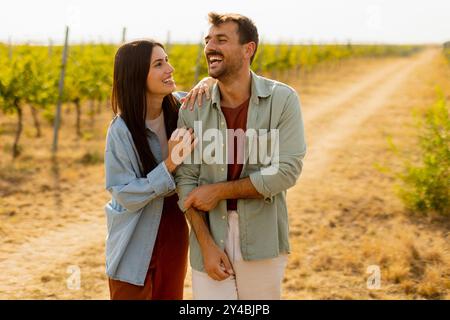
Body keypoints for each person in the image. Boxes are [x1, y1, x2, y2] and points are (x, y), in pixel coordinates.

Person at [175, 12, 307, 300]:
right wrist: (205, 243)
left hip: (262, 237)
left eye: (221, 40)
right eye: (207, 40)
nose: (210, 47)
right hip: (208, 235)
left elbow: (287, 170)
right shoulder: (192, 107)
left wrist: (218, 191)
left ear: (248, 49)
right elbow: (185, 178)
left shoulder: (282, 100)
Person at [104, 39, 211, 300]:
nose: (170, 68)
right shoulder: (121, 130)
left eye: (167, 60)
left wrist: (208, 82)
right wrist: (170, 163)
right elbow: (124, 193)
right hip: (133, 232)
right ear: (137, 75)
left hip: (174, 228)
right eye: (159, 64)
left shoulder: (184, 107)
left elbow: (217, 94)